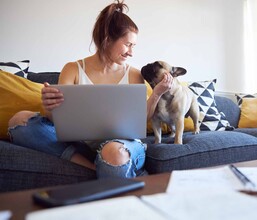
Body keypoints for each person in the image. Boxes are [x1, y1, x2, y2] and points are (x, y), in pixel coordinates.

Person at [8, 0, 173, 178]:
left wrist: (156, 93)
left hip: (122, 145)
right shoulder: (72, 69)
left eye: (133, 46)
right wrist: (50, 107)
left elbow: (141, 119)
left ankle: (112, 164)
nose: (131, 52)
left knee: (114, 153)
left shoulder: (134, 75)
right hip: (81, 145)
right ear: (107, 39)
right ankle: (100, 169)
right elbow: (57, 121)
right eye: (128, 44)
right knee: (19, 122)